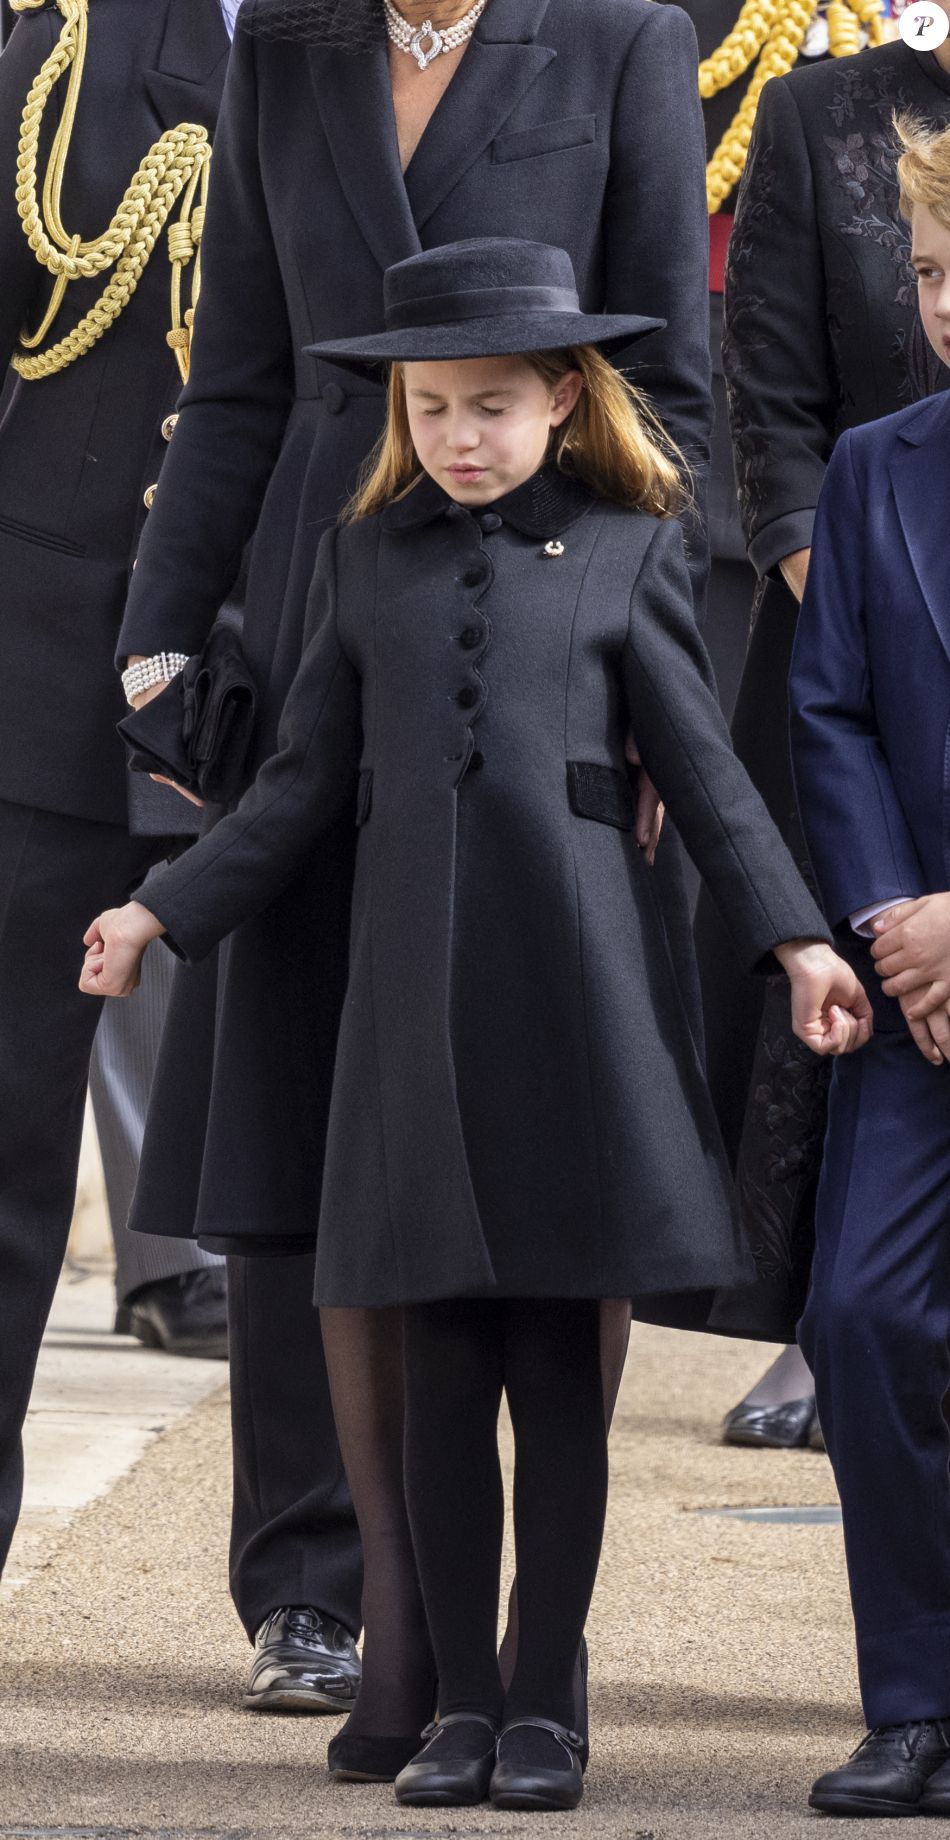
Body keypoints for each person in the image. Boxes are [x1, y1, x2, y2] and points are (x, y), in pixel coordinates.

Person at [81, 235, 871, 1813]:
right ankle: (453, 1701)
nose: (458, 434)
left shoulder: (640, 549)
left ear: (562, 400)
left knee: (556, 1383)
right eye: (432, 406)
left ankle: (544, 1702)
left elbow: (709, 779)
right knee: (438, 1372)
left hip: (578, 1007)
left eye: (492, 406)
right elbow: (301, 784)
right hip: (408, 1022)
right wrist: (166, 908)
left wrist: (797, 942)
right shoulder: (362, 561)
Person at [109, 0, 714, 1753]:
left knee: (545, 1139)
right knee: (311, 1138)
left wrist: (635, 684)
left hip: (557, 638)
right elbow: (231, 381)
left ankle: (537, 1659)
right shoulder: (282, 47)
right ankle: (347, 1611)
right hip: (326, 599)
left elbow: (661, 377)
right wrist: (158, 643)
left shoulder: (621, 38)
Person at [0, 0, 236, 1584]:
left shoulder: (436, 52)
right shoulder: (64, 58)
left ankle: (336, 1602)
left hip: (336, 666)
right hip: (49, 685)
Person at [695, 4, 950, 1447]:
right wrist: (859, 587)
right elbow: (767, 400)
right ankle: (814, 1322)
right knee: (843, 981)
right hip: (849, 625)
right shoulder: (810, 104)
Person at [788, 116, 950, 1819]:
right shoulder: (872, 463)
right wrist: (899, 924)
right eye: (925, 276)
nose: (946, 305)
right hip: (916, 997)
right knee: (859, 1311)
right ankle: (912, 1696)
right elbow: (825, 710)